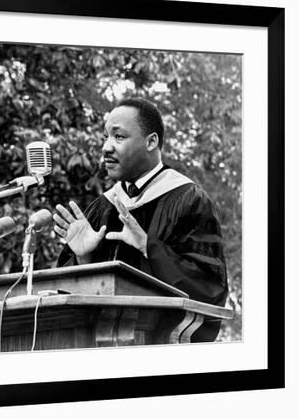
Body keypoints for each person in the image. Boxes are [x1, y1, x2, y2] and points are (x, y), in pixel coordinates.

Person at [54, 98, 228, 342]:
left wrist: (149, 247)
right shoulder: (104, 206)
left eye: (119, 137)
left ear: (151, 141)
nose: (106, 147)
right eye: (106, 136)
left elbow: (210, 289)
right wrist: (85, 258)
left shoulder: (189, 200)